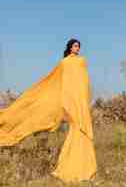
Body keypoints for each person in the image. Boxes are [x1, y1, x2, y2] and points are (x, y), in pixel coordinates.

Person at [0, 38, 98, 183]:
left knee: (80, 130)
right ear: (70, 48)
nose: (77, 48)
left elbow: (84, 82)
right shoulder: (64, 63)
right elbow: (56, 80)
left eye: (78, 46)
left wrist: (84, 100)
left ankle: (83, 167)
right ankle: (73, 167)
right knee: (76, 128)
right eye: (75, 46)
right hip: (69, 99)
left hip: (80, 100)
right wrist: (66, 99)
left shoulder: (82, 61)